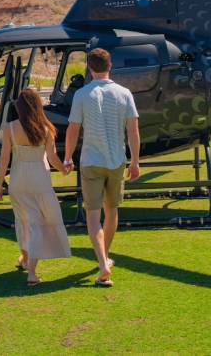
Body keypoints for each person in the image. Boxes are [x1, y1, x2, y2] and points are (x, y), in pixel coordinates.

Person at [64, 48, 140, 287]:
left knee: (93, 216)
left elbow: (73, 130)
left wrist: (67, 157)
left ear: (90, 67)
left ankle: (103, 261)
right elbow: (133, 131)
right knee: (112, 211)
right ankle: (104, 258)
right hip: (117, 160)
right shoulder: (124, 93)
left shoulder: (82, 94)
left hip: (91, 161)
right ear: (110, 66)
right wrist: (135, 160)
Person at [0, 88, 71, 286]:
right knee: (38, 223)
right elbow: (53, 158)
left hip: (18, 180)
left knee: (22, 220)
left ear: (19, 107)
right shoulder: (46, 129)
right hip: (40, 180)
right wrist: (64, 169)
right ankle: (31, 271)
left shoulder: (10, 128)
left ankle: (26, 260)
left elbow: (4, 159)